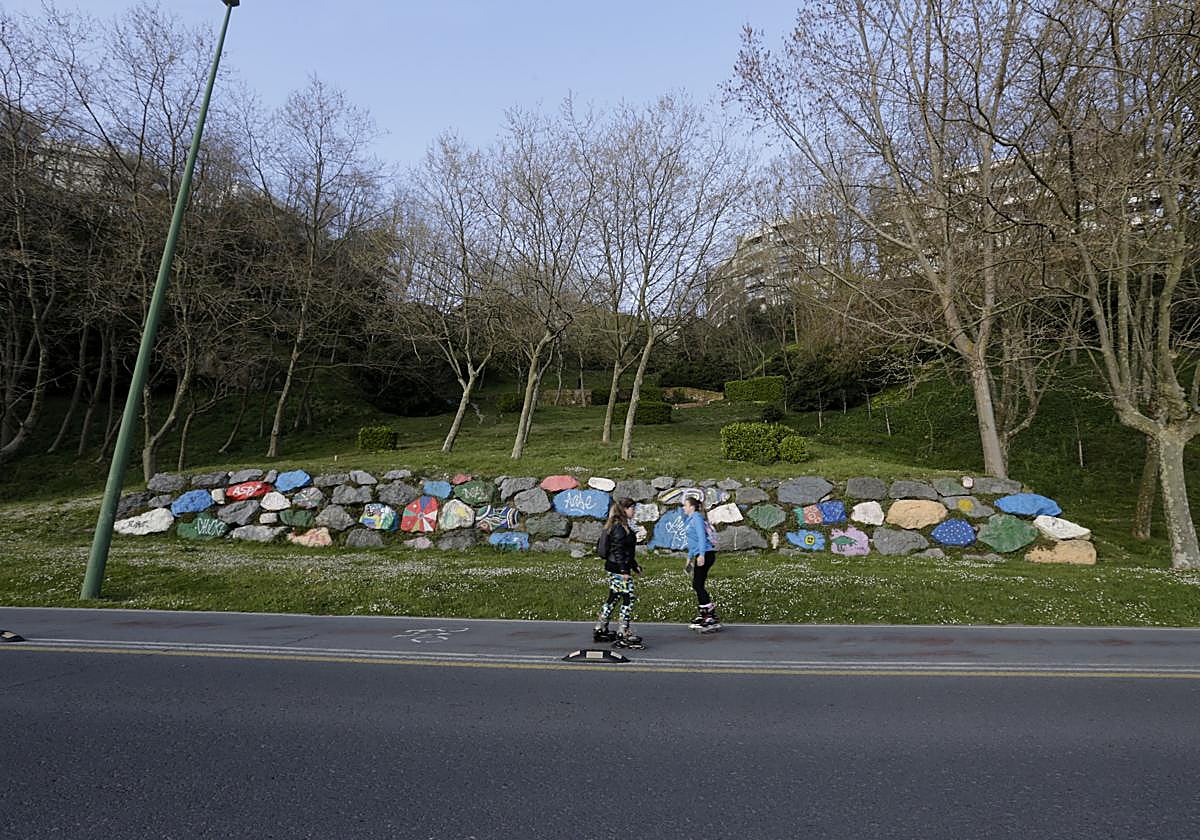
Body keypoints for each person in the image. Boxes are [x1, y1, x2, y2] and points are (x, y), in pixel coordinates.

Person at [593, 497, 645, 649]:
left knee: (614, 597)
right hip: (617, 568)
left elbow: (627, 550)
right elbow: (618, 550)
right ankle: (624, 631)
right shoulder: (619, 527)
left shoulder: (622, 525)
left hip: (615, 566)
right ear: (624, 510)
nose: (634, 511)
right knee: (628, 598)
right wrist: (624, 570)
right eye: (632, 508)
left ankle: (601, 627)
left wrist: (634, 566)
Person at [682, 494, 721, 632]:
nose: (683, 508)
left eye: (685, 505)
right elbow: (692, 542)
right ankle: (705, 614)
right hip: (699, 554)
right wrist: (689, 558)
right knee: (698, 584)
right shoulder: (690, 519)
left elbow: (701, 538)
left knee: (697, 584)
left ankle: (709, 614)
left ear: (692, 507)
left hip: (706, 554)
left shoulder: (697, 518)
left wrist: (702, 555)